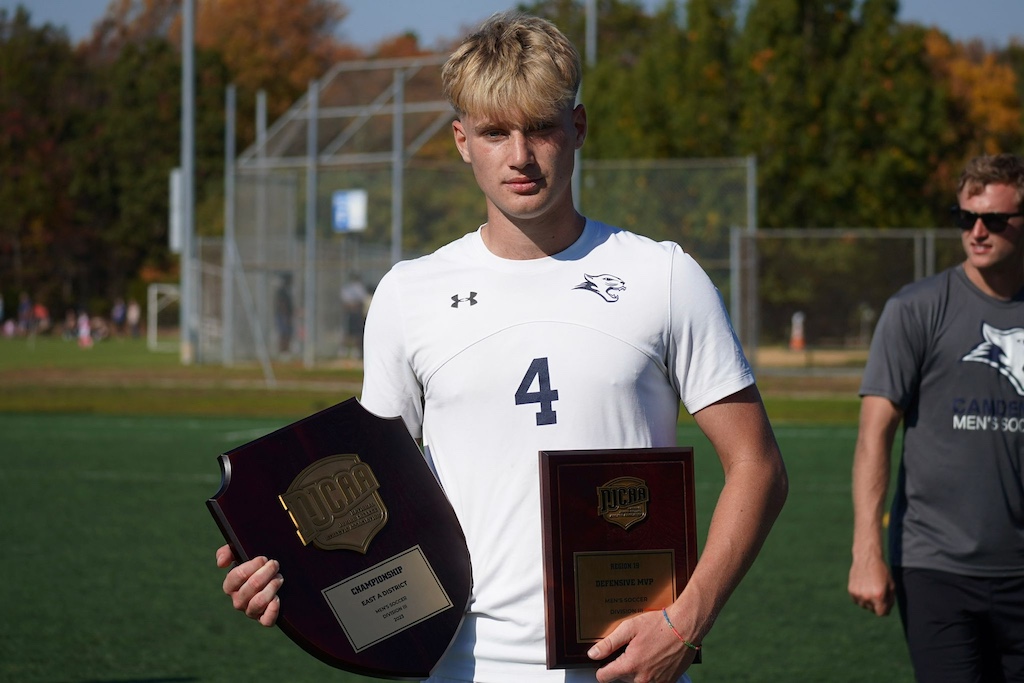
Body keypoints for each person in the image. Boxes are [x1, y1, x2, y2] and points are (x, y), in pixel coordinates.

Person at [217, 12, 788, 683]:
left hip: (627, 667)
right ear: (462, 140)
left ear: (577, 129)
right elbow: (377, 504)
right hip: (461, 664)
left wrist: (685, 620)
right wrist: (286, 570)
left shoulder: (662, 275)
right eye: (494, 132)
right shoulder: (409, 294)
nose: (520, 156)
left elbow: (758, 465)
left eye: (540, 127)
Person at [848, 153, 1024, 682]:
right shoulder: (917, 308)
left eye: (994, 220)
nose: (976, 231)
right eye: (964, 217)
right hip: (936, 567)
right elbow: (874, 436)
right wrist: (866, 552)